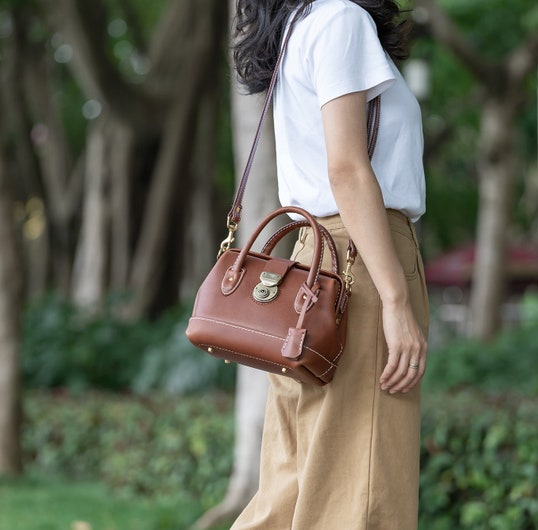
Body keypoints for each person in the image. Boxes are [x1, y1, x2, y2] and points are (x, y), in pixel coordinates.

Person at [231, 0, 429, 528]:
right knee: (359, 488)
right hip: (359, 258)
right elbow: (345, 167)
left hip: (310, 261)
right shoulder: (341, 19)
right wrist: (394, 297)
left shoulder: (300, 25)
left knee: (292, 487)